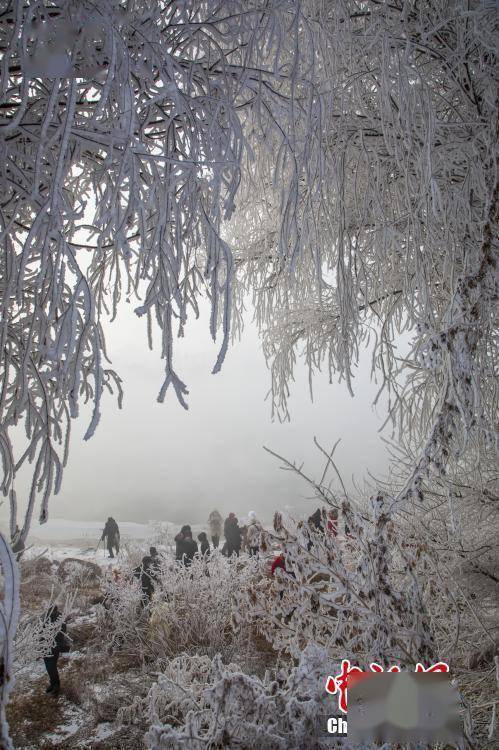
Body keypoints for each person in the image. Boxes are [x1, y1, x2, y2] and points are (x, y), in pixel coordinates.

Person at [43, 605, 69, 695]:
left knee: (51, 666)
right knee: (50, 666)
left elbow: (60, 632)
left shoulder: (56, 617)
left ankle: (56, 686)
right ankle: (53, 684)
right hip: (48, 645)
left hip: (53, 646)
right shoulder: (50, 616)